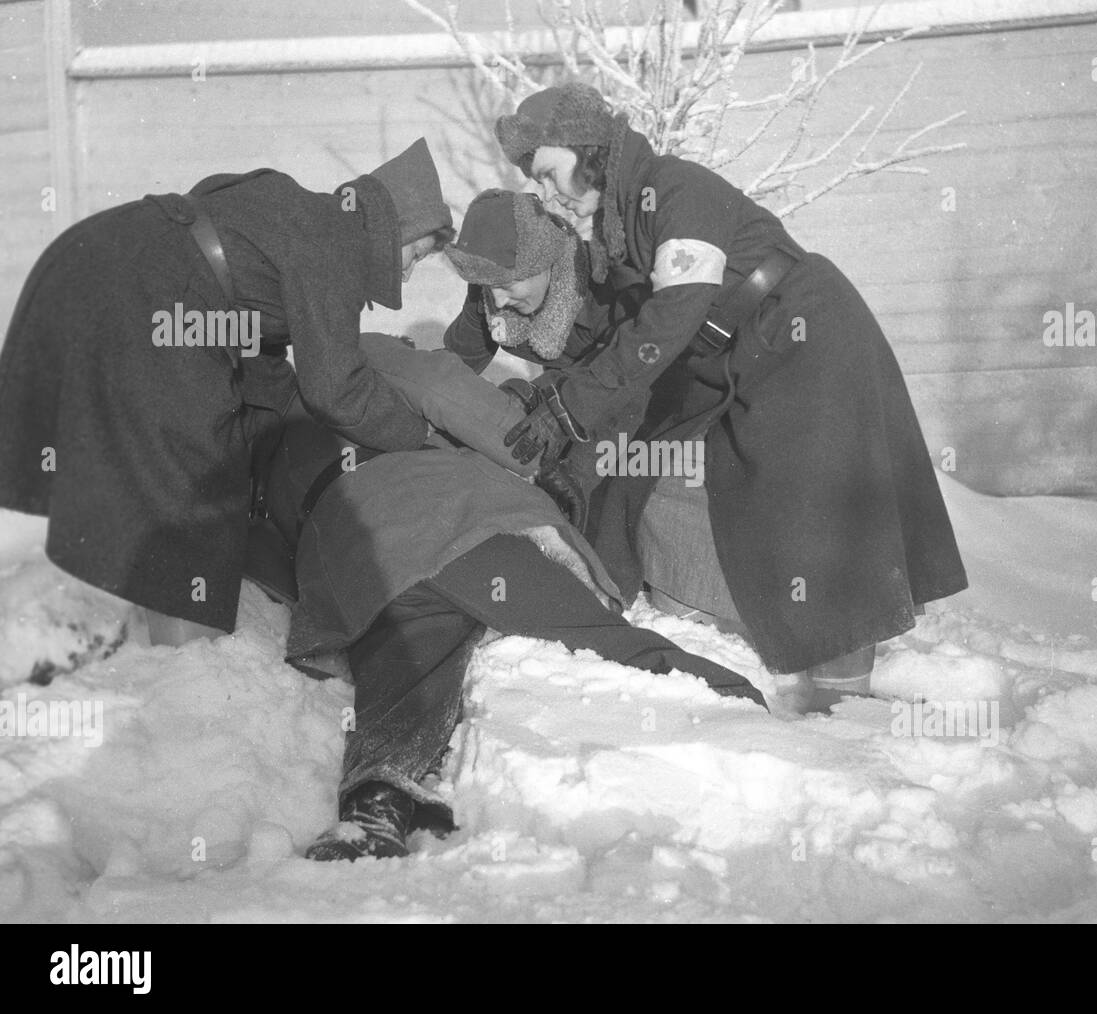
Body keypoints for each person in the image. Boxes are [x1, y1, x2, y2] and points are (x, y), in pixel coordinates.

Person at [443, 104, 969, 696]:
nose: (545, 191)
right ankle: (785, 647)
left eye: (547, 171)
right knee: (728, 486)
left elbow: (673, 313)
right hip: (740, 351)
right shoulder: (619, 224)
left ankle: (844, 695)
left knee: (818, 506)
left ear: (588, 149)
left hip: (801, 330)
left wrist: (570, 408)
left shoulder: (672, 189)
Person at [266, 335, 765, 861]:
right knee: (591, 632)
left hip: (361, 562)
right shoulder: (364, 351)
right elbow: (464, 403)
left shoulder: (279, 434)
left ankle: (374, 810)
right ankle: (741, 709)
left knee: (405, 673)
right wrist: (534, 461)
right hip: (443, 515)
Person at [0, 139, 454, 647]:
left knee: (155, 465)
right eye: (415, 254)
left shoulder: (299, 213)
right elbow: (337, 389)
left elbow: (248, 337)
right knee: (195, 480)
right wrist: (419, 432)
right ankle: (185, 667)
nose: (410, 273)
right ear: (394, 230)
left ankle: (135, 633)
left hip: (92, 260)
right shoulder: (336, 239)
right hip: (147, 294)